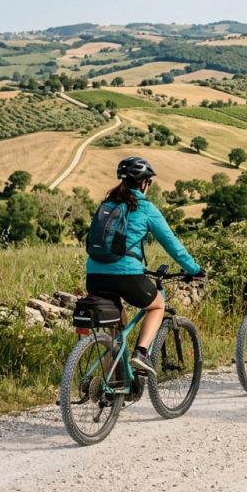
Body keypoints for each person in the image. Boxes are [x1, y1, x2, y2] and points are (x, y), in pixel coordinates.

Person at [86, 156, 203, 375]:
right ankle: (141, 353)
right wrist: (194, 269)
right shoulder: (145, 207)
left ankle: (111, 381)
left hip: (94, 274)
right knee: (157, 305)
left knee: (117, 326)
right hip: (126, 275)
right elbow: (172, 244)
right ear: (143, 183)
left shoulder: (106, 204)